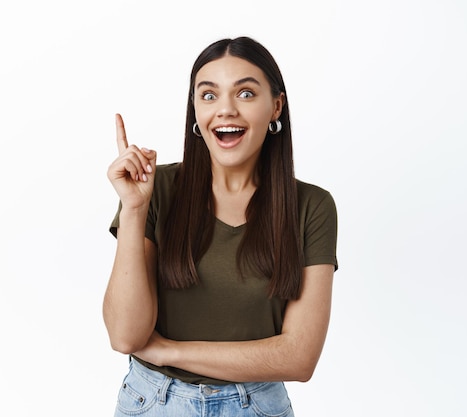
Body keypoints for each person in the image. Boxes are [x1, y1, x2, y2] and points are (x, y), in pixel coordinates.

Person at [104, 36, 338, 417]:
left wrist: (170, 350)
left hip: (257, 405)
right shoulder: (155, 190)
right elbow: (126, 335)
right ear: (195, 109)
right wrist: (133, 209)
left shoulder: (311, 206)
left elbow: (299, 357)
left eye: (245, 93)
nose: (225, 110)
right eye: (209, 96)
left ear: (275, 106)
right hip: (154, 403)